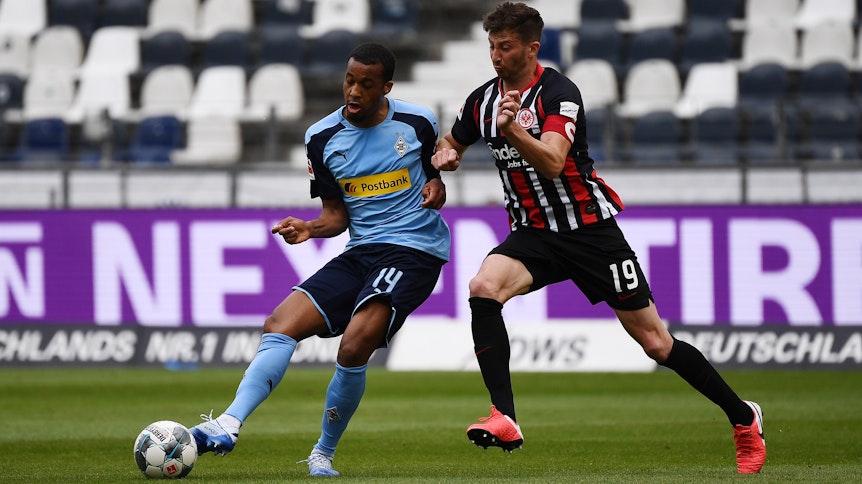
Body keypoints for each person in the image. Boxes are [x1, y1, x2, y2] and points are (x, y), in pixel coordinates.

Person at [431, 2, 766, 475]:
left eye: (505, 47)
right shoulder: (482, 100)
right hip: (534, 233)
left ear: (532, 47)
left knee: (655, 343)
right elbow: (453, 140)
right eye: (491, 46)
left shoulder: (559, 94)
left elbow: (551, 160)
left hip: (591, 232)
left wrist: (511, 132)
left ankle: (743, 417)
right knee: (483, 288)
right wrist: (446, 158)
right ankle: (504, 416)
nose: (495, 56)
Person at [189, 42, 450, 477]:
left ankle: (322, 453)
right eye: (350, 80)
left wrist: (437, 188)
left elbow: (435, 180)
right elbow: (336, 215)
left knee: (354, 343)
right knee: (279, 324)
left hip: (413, 249)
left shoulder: (418, 121)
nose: (354, 91)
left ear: (386, 87)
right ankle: (228, 424)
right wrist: (311, 228)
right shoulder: (322, 137)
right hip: (361, 250)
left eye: (367, 85)